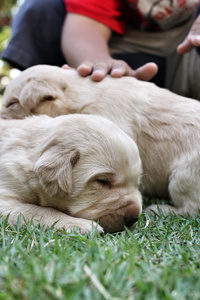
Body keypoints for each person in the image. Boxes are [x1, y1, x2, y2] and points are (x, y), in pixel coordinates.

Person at [2, 0, 200, 99]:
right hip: (129, 42)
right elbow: (85, 25)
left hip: (192, 37)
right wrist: (99, 63)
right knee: (41, 7)